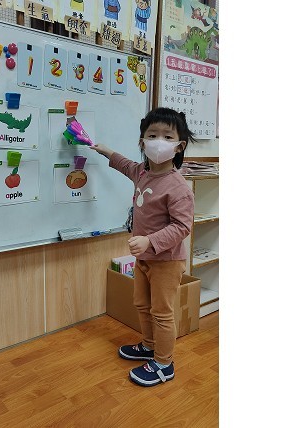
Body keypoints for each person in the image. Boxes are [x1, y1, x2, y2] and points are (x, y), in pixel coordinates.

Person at [90, 107, 195, 386]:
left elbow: (182, 227)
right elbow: (125, 164)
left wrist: (151, 240)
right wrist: (106, 151)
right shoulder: (142, 172)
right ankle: (149, 346)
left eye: (167, 136)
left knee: (162, 313)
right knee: (142, 304)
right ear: (142, 142)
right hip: (144, 259)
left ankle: (164, 363)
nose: (159, 141)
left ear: (179, 146)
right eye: (152, 135)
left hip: (167, 262)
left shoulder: (178, 187)